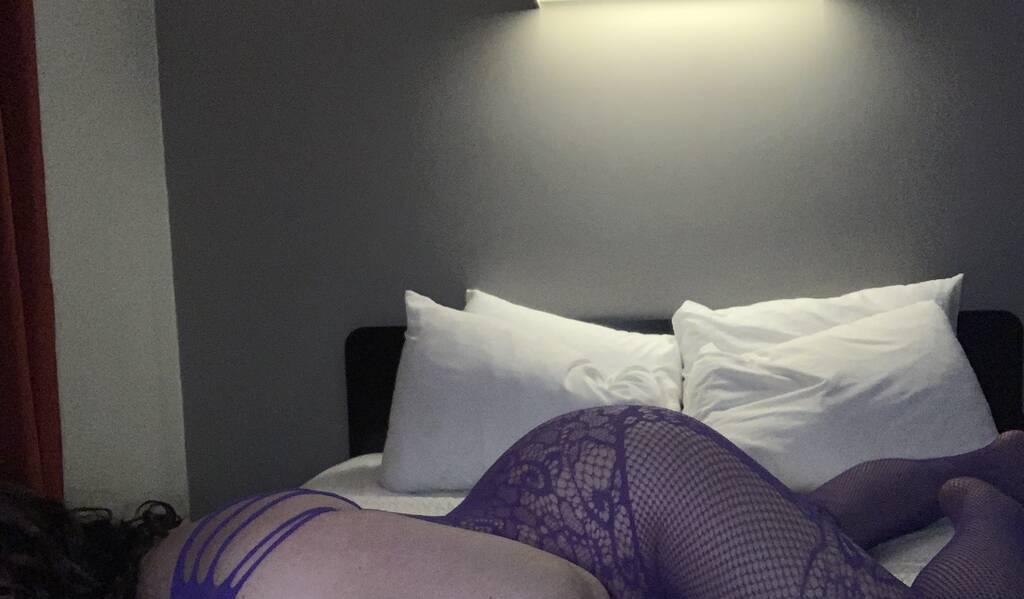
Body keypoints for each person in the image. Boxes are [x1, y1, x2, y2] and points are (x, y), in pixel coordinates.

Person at [3, 405, 1024, 599]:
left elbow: (556, 592)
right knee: (805, 526)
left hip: (621, 496)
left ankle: (986, 505)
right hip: (553, 519)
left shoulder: (250, 578)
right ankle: (981, 455)